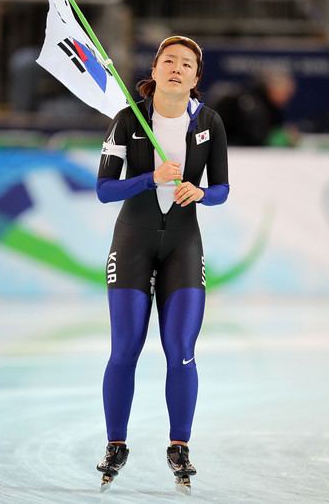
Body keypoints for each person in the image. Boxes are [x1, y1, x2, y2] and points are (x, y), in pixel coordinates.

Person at [95, 35, 229, 491]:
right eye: (168, 60)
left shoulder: (210, 122)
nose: (177, 68)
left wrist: (202, 192)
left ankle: (180, 446)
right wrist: (149, 179)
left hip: (183, 246)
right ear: (153, 71)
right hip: (132, 241)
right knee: (125, 349)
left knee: (181, 350)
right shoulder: (127, 121)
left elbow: (222, 190)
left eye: (186, 64)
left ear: (196, 78)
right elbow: (104, 189)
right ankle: (116, 443)